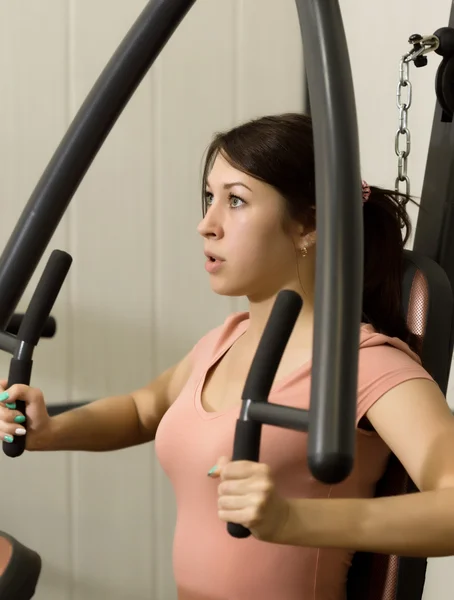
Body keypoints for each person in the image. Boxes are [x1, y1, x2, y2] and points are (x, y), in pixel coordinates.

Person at [1, 112, 454, 600]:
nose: (206, 225)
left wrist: (293, 518)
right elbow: (141, 411)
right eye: (208, 198)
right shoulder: (225, 341)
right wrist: (51, 431)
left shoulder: (365, 366)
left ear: (310, 224)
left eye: (235, 201)